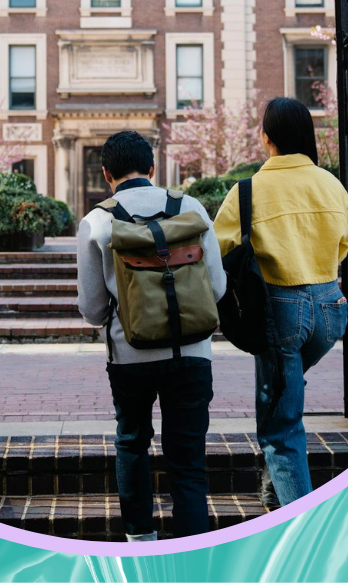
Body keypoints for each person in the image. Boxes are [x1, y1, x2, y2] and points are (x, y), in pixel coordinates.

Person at [76, 131, 227, 540]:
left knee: (131, 442)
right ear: (153, 168)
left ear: (106, 174)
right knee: (188, 459)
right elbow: (216, 288)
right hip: (192, 353)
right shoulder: (190, 207)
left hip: (129, 356)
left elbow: (92, 311)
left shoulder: (97, 221)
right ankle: (192, 550)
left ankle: (141, 539)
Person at [212, 97, 348, 509]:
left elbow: (216, 249)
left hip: (280, 309)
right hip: (331, 308)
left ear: (266, 137)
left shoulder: (247, 192)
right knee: (283, 389)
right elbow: (342, 245)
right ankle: (275, 490)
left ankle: (300, 528)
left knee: (280, 428)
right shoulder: (332, 185)